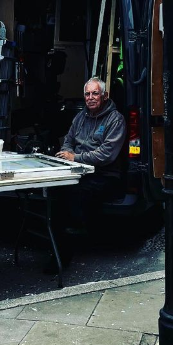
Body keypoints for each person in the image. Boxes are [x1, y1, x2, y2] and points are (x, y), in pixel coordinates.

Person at [53, 76, 126, 242]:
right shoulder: (80, 117)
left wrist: (75, 157)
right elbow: (68, 141)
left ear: (105, 96)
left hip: (104, 174)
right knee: (55, 187)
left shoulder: (115, 119)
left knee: (79, 190)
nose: (91, 97)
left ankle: (81, 234)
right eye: (87, 94)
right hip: (80, 170)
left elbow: (106, 154)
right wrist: (66, 154)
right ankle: (57, 233)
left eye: (95, 93)